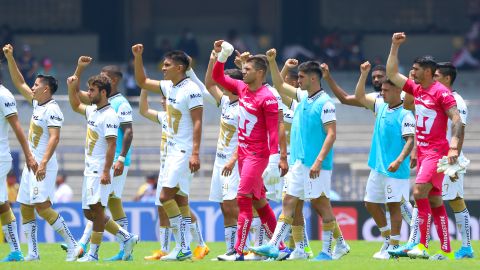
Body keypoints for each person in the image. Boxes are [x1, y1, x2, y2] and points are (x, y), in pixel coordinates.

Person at [250, 49, 348, 261]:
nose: (298, 81)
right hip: (298, 163)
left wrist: (319, 161)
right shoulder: (304, 96)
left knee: (321, 205)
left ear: (313, 78)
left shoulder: (326, 104)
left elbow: (331, 135)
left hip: (316, 164)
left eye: (301, 77)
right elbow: (279, 84)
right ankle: (274, 245)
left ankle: (329, 250)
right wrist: (273, 61)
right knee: (289, 200)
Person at [386, 32, 464, 260]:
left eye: (417, 69)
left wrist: (454, 147)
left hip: (437, 152)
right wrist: (394, 46)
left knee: (418, 192)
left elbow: (457, 119)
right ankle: (446, 250)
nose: (413, 73)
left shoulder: (442, 93)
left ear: (428, 71)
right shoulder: (417, 89)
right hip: (424, 153)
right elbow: (391, 73)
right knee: (434, 200)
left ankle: (421, 244)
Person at [3, 44, 83, 262]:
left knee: (42, 207)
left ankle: (74, 245)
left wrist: (44, 162)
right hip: (32, 165)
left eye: (36, 85)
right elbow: (19, 82)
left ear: (46, 89)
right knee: (26, 207)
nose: (32, 87)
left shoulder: (53, 110)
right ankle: (33, 253)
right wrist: (10, 58)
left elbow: (55, 138)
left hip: (43, 165)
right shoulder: (38, 103)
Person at [212, 41, 284, 261]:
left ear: (260, 73)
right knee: (259, 202)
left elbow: (274, 131)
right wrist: (222, 55)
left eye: (248, 69)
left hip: (257, 156)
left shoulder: (268, 97)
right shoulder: (242, 88)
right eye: (243, 70)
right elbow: (217, 78)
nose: (243, 72)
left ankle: (239, 252)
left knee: (243, 199)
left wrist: (274, 160)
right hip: (243, 154)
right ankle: (279, 248)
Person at [133, 45, 203, 261]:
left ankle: (183, 246)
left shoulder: (191, 89)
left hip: (182, 151)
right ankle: (185, 247)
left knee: (165, 197)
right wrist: (138, 57)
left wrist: (195, 153)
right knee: (180, 200)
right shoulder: (169, 86)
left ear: (180, 67)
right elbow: (142, 82)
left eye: (167, 65)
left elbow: (198, 121)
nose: (163, 68)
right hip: (172, 151)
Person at [67, 72, 138, 262]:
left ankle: (93, 254)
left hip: (99, 169)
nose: (88, 93)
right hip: (89, 169)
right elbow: (74, 105)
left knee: (97, 211)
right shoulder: (93, 111)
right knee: (88, 212)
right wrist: (72, 83)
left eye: (92, 90)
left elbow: (112, 145)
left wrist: (106, 170)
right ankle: (126, 236)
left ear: (104, 92)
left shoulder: (109, 116)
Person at [354, 61, 415, 259]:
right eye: (382, 90)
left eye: (386, 90)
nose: (382, 93)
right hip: (378, 167)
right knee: (370, 203)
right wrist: (363, 74)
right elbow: (359, 97)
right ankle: (388, 239)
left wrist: (399, 161)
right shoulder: (381, 107)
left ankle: (394, 248)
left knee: (394, 206)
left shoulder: (405, 115)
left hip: (395, 170)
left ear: (398, 91)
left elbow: (410, 141)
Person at [139, 89, 207, 261]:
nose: (163, 102)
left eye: (166, 98)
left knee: (177, 201)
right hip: (166, 166)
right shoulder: (164, 117)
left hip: (179, 163)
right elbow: (143, 110)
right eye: (162, 99)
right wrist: (143, 87)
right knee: (164, 206)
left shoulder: (183, 117)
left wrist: (194, 154)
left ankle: (192, 244)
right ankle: (167, 248)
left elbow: (196, 126)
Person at [203, 50, 242, 258]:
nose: (222, 82)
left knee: (231, 205)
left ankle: (239, 248)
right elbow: (209, 83)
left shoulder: (244, 107)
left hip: (233, 164)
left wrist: (233, 159)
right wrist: (215, 58)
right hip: (220, 162)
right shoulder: (226, 102)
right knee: (223, 206)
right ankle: (230, 249)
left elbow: (245, 139)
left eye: (226, 80)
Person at [434, 62, 473, 259]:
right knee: (432, 200)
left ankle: (463, 247)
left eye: (437, 75)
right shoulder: (441, 98)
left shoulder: (457, 101)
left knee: (455, 202)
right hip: (439, 159)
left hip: (449, 161)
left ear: (447, 78)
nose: (433, 78)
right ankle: (448, 247)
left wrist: (455, 161)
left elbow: (460, 130)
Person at [0, 60, 37, 262]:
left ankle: (16, 250)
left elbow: (17, 128)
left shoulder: (4, 95)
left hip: (0, 157)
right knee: (2, 204)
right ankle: (15, 250)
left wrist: (29, 155)